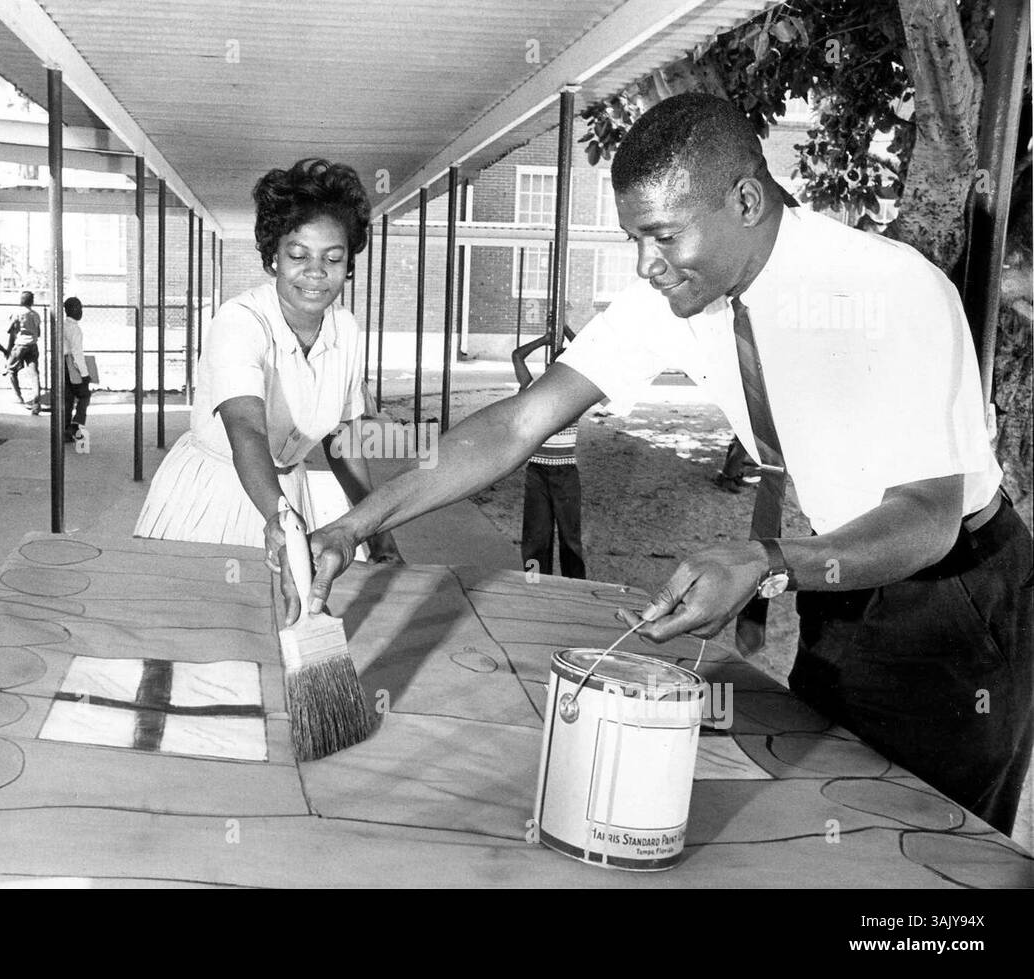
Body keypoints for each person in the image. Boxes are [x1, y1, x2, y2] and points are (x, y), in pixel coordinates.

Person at [289, 94, 1031, 836]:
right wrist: (355, 524)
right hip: (839, 583)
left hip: (957, 599)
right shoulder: (680, 296)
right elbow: (518, 422)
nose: (647, 265)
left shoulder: (888, 290)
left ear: (744, 199)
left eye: (663, 236)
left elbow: (928, 515)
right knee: (824, 819)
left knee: (930, 851)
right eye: (634, 240)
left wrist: (768, 560)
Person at [134, 158, 401, 572]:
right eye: (298, 255)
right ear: (274, 256)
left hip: (286, 493)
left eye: (333, 258)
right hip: (214, 490)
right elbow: (248, 430)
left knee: (284, 621)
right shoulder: (240, 321)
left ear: (348, 265)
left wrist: (380, 536)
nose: (315, 272)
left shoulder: (345, 330)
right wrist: (277, 514)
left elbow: (342, 440)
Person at [512, 328, 584, 579]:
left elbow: (588, 354)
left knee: (570, 538)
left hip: (565, 474)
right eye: (555, 368)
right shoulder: (532, 390)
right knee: (535, 538)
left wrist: (566, 331)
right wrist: (544, 339)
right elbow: (518, 356)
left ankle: (577, 588)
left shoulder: (576, 398)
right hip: (537, 473)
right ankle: (534, 583)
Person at [4, 290, 42, 414]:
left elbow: (9, 329)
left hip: (20, 345)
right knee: (34, 374)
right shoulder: (35, 314)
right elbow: (39, 333)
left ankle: (18, 397)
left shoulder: (17, 313)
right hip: (33, 345)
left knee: (10, 369)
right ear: (32, 301)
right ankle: (36, 402)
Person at [61, 296, 91, 444]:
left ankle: (65, 430)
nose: (81, 311)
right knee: (84, 395)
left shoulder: (62, 325)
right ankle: (75, 426)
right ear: (72, 310)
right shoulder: (75, 329)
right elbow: (77, 353)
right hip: (72, 365)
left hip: (62, 364)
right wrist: (85, 375)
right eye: (79, 308)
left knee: (68, 398)